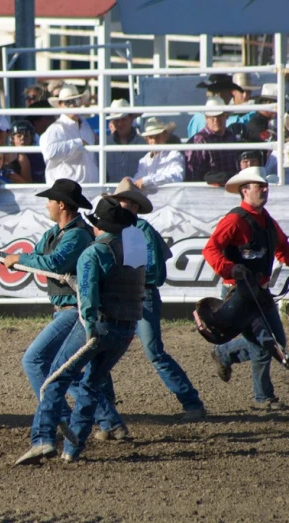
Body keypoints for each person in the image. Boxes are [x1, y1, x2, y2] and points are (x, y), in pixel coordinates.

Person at [0, 179, 123, 447]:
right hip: (64, 309)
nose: (46, 205)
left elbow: (53, 263)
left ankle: (64, 418)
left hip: (73, 309)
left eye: (49, 201)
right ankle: (108, 419)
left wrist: (17, 259)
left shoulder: (78, 235)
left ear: (61, 205)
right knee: (64, 370)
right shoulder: (55, 234)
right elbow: (36, 260)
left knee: (35, 361)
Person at [15, 196, 146, 465]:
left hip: (98, 325)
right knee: (89, 386)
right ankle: (72, 450)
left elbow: (87, 297)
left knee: (54, 380)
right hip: (126, 329)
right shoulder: (135, 248)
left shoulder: (94, 252)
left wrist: (88, 330)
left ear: (98, 226)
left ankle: (43, 440)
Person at [108, 179, 206, 423]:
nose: (122, 206)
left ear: (133, 206)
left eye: (125, 203)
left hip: (140, 296)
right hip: (130, 296)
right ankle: (104, 409)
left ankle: (192, 402)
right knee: (115, 352)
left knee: (152, 352)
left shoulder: (139, 231)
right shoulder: (125, 230)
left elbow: (152, 272)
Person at [204, 166, 289, 410]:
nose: (264, 189)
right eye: (258, 186)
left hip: (258, 292)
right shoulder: (234, 220)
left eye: (265, 186)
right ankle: (264, 397)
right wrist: (230, 269)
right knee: (266, 344)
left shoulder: (267, 221)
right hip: (239, 294)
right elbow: (211, 249)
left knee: (275, 342)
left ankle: (224, 353)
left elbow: (283, 247)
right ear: (244, 191)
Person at [41, 84, 98, 184]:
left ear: (80, 102)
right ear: (60, 105)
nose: (72, 105)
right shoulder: (56, 128)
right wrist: (78, 143)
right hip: (68, 193)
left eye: (75, 101)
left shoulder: (85, 125)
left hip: (88, 189)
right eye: (68, 102)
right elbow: (49, 152)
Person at [186, 96, 241, 182]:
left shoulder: (230, 135)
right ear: (206, 118)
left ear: (226, 116)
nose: (216, 120)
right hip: (209, 190)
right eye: (212, 117)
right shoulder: (200, 140)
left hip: (231, 185)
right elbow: (193, 173)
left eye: (219, 116)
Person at [132, 117, 185, 190]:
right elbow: (138, 179)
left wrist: (147, 180)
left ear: (164, 136)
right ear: (147, 140)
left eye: (157, 136)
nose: (154, 140)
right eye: (151, 137)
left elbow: (177, 176)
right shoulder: (144, 160)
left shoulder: (174, 155)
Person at [105, 99, 145, 182]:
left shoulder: (143, 143)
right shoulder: (105, 143)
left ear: (131, 118)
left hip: (136, 192)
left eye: (123, 119)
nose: (120, 124)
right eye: (116, 120)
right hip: (112, 192)